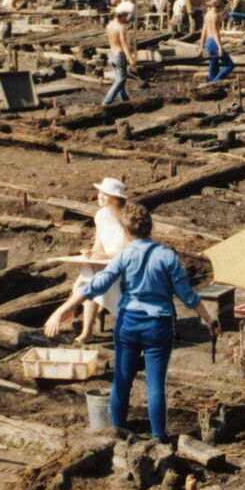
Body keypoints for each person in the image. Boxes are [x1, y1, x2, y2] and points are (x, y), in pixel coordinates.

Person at [44, 203, 217, 441]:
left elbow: (97, 284)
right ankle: (159, 437)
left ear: (126, 232)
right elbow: (187, 295)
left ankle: (118, 432)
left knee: (122, 379)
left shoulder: (124, 256)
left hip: (128, 323)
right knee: (156, 385)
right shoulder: (167, 255)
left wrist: (64, 308)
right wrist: (208, 318)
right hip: (159, 325)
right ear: (151, 228)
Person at [50, 177, 132, 343]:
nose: (100, 196)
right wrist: (91, 252)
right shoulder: (101, 215)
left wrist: (108, 256)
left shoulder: (128, 217)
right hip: (106, 264)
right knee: (91, 272)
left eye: (105, 194)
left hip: (127, 265)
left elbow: (131, 250)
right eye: (100, 192)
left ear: (116, 198)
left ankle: (77, 318)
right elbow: (98, 245)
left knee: (95, 276)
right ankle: (86, 331)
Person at [103, 3, 136, 105]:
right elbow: (124, 44)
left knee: (119, 78)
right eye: (126, 16)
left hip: (111, 53)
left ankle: (124, 100)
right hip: (119, 54)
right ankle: (107, 101)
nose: (126, 18)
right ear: (121, 16)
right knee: (121, 79)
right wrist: (130, 58)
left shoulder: (109, 25)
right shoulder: (121, 27)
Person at [202, 0, 235, 83]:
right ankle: (214, 83)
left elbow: (204, 31)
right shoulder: (215, 16)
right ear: (221, 5)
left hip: (208, 42)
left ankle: (211, 81)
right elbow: (216, 33)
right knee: (229, 65)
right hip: (214, 42)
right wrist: (220, 47)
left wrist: (202, 45)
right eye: (223, 7)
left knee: (214, 64)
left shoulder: (207, 14)